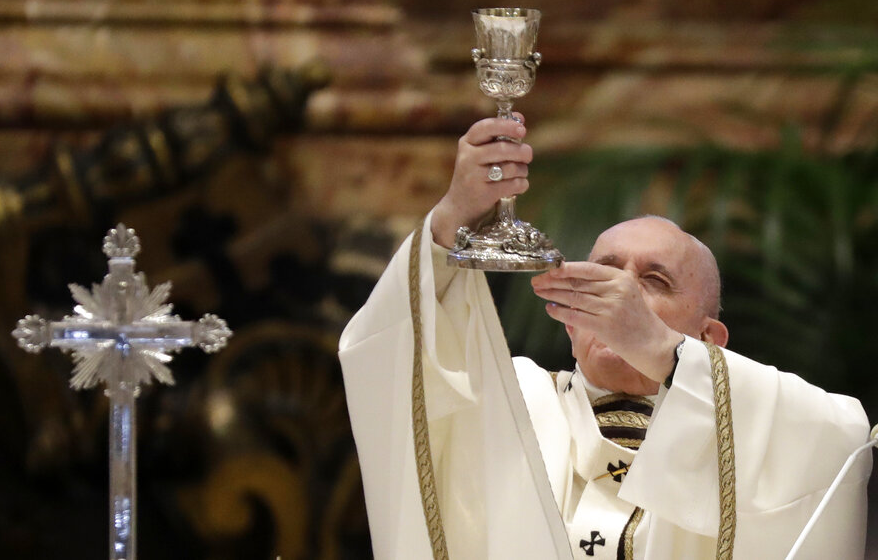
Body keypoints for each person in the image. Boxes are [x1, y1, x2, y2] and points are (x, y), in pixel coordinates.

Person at [338, 116, 871, 559]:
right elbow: (387, 360)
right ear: (570, 317)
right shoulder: (509, 399)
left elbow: (843, 438)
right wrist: (453, 216)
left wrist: (662, 350)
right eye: (604, 275)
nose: (622, 293)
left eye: (654, 282)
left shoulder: (759, 420)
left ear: (710, 338)